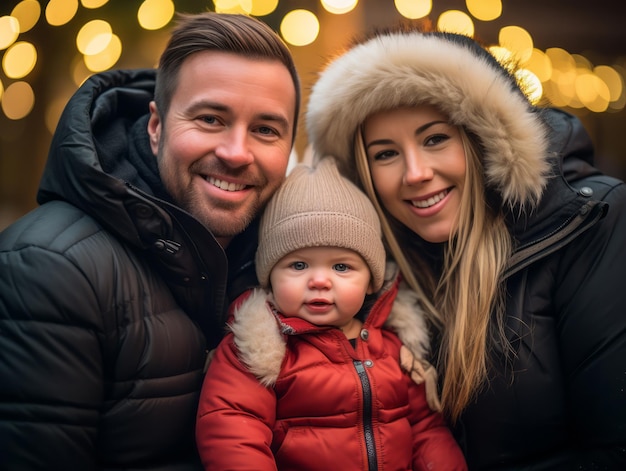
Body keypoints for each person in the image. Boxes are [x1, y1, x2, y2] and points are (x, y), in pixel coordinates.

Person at [305, 26, 626, 470]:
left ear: (482, 139)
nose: (415, 173)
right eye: (384, 154)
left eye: (435, 138)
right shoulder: (371, 275)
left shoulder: (591, 222)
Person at [0, 12, 300, 470]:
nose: (237, 152)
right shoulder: (48, 268)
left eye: (265, 130)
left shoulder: (282, 264)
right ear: (156, 126)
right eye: (210, 118)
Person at [195, 157, 468, 470]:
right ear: (270, 276)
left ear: (370, 282)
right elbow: (232, 432)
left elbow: (425, 430)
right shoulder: (258, 352)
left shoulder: (392, 350)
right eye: (298, 265)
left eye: (341, 267)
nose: (320, 281)